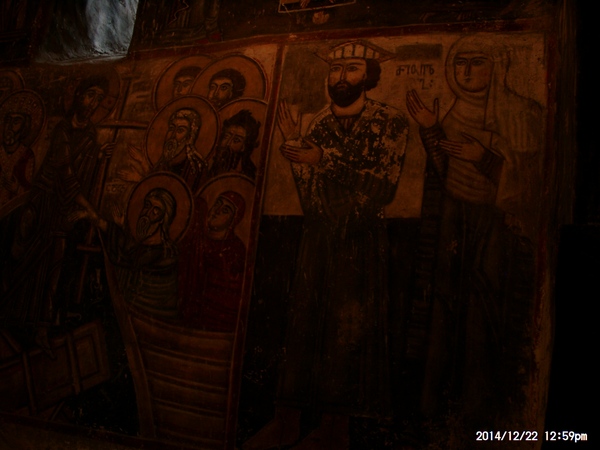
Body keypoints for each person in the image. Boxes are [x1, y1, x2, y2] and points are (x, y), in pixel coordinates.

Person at [244, 41, 408, 449]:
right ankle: (288, 421)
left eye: (351, 68)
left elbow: (383, 189)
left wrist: (322, 160)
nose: (340, 77)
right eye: (335, 69)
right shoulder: (317, 124)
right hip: (318, 238)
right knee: (303, 327)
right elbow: (310, 197)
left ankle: (335, 429)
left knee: (347, 331)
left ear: (369, 75)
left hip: (361, 239)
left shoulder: (389, 122)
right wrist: (298, 154)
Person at [406, 34, 544, 441]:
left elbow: (529, 186)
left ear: (496, 65)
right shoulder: (452, 113)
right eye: (460, 62)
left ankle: (480, 416)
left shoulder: (522, 113)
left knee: (483, 312)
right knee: (444, 309)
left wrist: (483, 157)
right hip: (453, 222)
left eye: (477, 62)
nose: (466, 71)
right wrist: (431, 131)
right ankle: (436, 411)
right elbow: (444, 171)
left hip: (495, 229)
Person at [0, 76, 114, 335]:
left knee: (56, 263)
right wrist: (91, 211)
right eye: (90, 95)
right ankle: (15, 314)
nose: (93, 103)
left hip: (65, 206)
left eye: (98, 99)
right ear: (78, 95)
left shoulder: (90, 134)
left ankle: (43, 324)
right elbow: (66, 174)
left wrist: (97, 155)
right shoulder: (62, 129)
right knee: (27, 256)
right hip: (45, 199)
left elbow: (81, 169)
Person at [99, 188, 180, 318]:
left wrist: (116, 228)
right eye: (147, 205)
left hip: (151, 312)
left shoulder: (163, 252)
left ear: (163, 219)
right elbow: (131, 252)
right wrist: (121, 226)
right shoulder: (147, 243)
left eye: (156, 210)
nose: (147, 213)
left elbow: (129, 259)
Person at [179, 191, 246, 331]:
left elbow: (230, 292)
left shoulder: (235, 249)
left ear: (233, 220)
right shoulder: (196, 238)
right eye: (217, 204)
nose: (217, 211)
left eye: (225, 210)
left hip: (214, 319)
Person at [155, 107, 206, 194]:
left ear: (189, 137)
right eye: (171, 128)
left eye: (180, 130)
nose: (173, 135)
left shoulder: (195, 167)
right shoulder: (162, 162)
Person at [207, 109, 260, 179]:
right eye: (226, 137)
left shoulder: (248, 175)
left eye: (236, 140)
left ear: (244, 147)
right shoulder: (209, 169)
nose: (228, 143)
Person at [0, 110, 35, 204]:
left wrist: (17, 189)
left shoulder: (27, 155)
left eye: (16, 122)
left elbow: (30, 193)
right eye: (8, 121)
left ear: (23, 128)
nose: (10, 126)